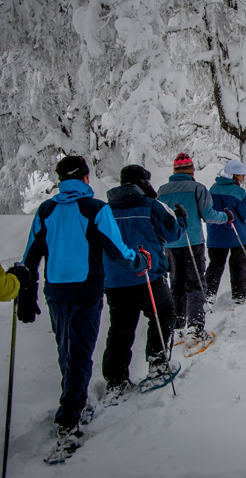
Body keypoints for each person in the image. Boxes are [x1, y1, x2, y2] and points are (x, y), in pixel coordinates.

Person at [17, 156, 148, 459]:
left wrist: (27, 292)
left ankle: (74, 402)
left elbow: (30, 256)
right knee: (79, 351)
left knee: (67, 349)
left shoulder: (46, 209)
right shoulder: (96, 208)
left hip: (55, 291)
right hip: (86, 290)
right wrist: (140, 260)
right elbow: (118, 252)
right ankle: (70, 422)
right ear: (86, 178)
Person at [101, 165, 188, 401]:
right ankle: (157, 363)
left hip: (116, 279)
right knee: (163, 315)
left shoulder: (105, 209)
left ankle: (116, 381)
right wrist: (181, 219)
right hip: (148, 275)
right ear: (142, 181)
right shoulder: (151, 205)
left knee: (120, 329)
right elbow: (172, 234)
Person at [157, 153, 229, 343]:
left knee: (176, 285)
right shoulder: (197, 188)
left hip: (170, 244)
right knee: (196, 284)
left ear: (174, 170)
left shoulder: (162, 191)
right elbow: (209, 215)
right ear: (191, 170)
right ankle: (195, 327)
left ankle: (177, 326)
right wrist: (226, 217)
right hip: (192, 242)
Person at [204, 159, 246, 305]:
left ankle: (209, 294)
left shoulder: (212, 189)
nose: (243, 178)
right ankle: (239, 295)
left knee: (215, 266)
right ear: (234, 176)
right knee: (238, 265)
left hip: (215, 236)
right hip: (236, 235)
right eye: (241, 175)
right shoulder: (238, 191)